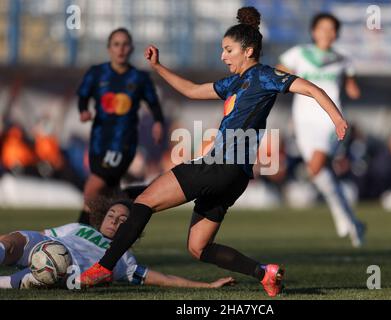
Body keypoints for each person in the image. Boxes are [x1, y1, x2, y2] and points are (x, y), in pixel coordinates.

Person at [80, 7, 348, 297]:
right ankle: (265, 273)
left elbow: (312, 89)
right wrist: (159, 67)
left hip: (221, 165)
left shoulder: (266, 76)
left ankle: (103, 268)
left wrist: (337, 119)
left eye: (228, 49)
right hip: (235, 175)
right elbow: (193, 91)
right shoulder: (234, 82)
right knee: (198, 247)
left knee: (144, 201)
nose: (223, 56)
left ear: (247, 51)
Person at [0, 198, 234, 290]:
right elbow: (41, 235)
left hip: (64, 271)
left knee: (35, 279)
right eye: (111, 215)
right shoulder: (78, 228)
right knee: (15, 240)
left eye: (123, 220)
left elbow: (164, 279)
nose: (114, 220)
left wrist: (208, 287)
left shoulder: (124, 258)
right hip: (46, 246)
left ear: (131, 228)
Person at [277, 13, 365, 247]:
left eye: (331, 29)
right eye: (322, 28)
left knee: (315, 165)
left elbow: (353, 89)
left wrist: (354, 84)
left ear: (336, 33)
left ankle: (342, 216)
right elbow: (277, 73)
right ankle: (352, 220)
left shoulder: (343, 60)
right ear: (313, 31)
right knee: (319, 173)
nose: (327, 32)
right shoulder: (299, 53)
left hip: (330, 120)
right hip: (303, 122)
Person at [77, 28, 165, 225]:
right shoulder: (96, 73)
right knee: (110, 191)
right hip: (99, 141)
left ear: (131, 48)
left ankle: (79, 229)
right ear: (109, 48)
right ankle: (116, 228)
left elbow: (153, 104)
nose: (121, 49)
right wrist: (83, 110)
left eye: (125, 44)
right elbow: (83, 96)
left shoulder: (139, 78)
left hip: (122, 142)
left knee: (93, 186)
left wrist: (158, 122)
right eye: (116, 44)